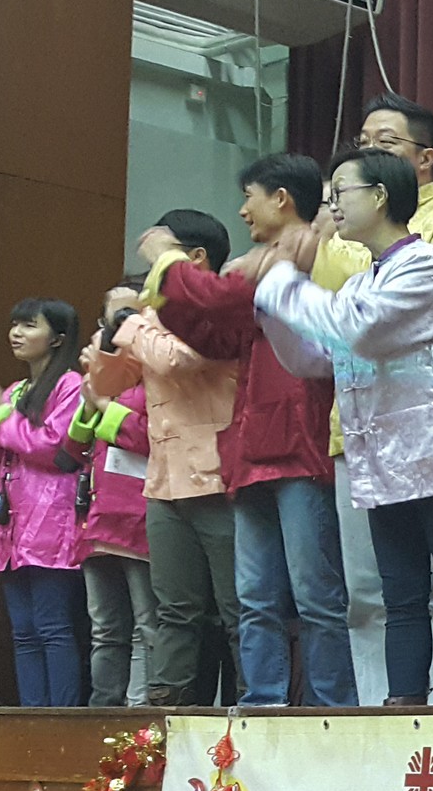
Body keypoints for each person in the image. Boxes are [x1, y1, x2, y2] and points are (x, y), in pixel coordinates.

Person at [244, 148, 433, 704]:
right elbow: (316, 358)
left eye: (340, 193)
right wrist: (272, 310)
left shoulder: (426, 264)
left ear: (381, 195)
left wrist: (281, 281)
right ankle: (402, 707)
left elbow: (356, 329)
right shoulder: (363, 281)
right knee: (400, 597)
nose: (332, 207)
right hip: (383, 457)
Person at [143, 154, 356, 707]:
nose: (242, 210)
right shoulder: (262, 260)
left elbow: (219, 299)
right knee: (254, 597)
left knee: (316, 596)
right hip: (252, 446)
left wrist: (167, 261)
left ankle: (332, 709)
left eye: (249, 197)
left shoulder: (317, 252)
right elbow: (215, 334)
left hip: (304, 443)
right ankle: (264, 702)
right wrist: (176, 290)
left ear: (281, 198)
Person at [315, 93, 433, 706]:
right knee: (376, 592)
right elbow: (319, 328)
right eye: (363, 141)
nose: (369, 149)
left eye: (386, 142)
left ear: (423, 159)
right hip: (364, 431)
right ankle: (390, 710)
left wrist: (303, 295)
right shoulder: (349, 242)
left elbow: (414, 301)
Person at [88, 211, 242, 706]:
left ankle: (257, 705)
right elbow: (106, 383)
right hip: (164, 484)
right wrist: (114, 330)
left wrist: (131, 323)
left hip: (218, 478)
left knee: (238, 609)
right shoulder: (151, 318)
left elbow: (178, 360)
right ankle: (167, 711)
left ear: (195, 258)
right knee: (175, 610)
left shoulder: (218, 307)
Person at [0, 298, 87, 705]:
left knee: (53, 626)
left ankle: (61, 719)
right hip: (13, 525)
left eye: (28, 325)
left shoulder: (70, 385)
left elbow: (53, 447)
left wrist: (1, 416)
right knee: (23, 631)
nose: (16, 334)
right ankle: (31, 714)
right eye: (15, 325)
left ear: (57, 338)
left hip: (52, 519)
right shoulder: (17, 390)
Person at [68, 291, 157, 707]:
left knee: (146, 624)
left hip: (140, 511)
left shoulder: (157, 368)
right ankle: (102, 711)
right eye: (113, 317)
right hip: (97, 514)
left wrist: (104, 406)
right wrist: (92, 405)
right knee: (104, 626)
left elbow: (151, 436)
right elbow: (70, 449)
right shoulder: (97, 372)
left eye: (131, 313)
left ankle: (141, 714)